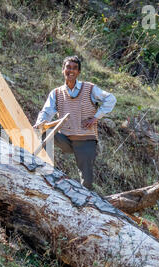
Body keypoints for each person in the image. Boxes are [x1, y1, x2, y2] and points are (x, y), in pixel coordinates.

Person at [33, 56, 116, 190]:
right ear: (63, 70)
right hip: (65, 138)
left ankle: (86, 205)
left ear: (78, 72)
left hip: (85, 140)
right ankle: (45, 173)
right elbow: (46, 111)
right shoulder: (56, 92)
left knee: (86, 181)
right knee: (43, 134)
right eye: (68, 67)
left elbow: (111, 99)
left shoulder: (90, 88)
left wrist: (95, 118)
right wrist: (39, 124)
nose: (71, 70)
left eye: (74, 68)